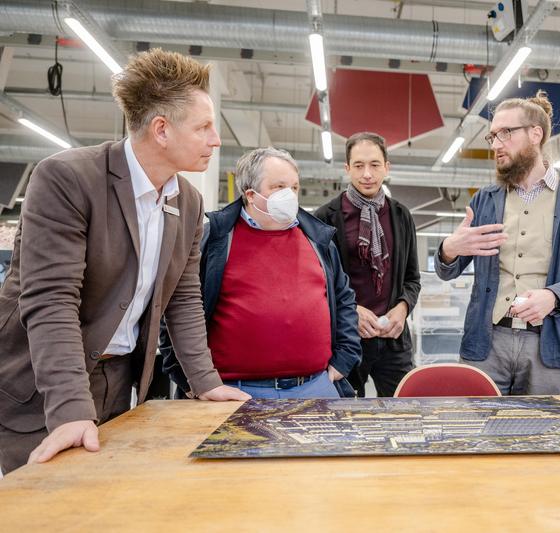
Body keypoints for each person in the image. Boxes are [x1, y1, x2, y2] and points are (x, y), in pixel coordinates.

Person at [0, 49, 249, 474]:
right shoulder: (67, 179)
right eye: (204, 127)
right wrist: (69, 408)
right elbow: (50, 301)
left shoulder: (186, 200)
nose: (216, 139)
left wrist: (205, 382)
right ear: (161, 130)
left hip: (118, 381)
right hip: (43, 385)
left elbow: (182, 298)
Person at [434, 91, 560, 395]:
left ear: (535, 134)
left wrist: (554, 297)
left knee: (544, 433)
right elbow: (448, 270)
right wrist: (449, 249)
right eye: (492, 136)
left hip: (551, 342)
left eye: (505, 133)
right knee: (481, 432)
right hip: (488, 341)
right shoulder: (485, 199)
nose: (496, 144)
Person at [162, 148, 361, 399]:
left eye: (294, 187)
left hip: (315, 387)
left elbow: (344, 300)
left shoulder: (318, 240)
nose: (289, 195)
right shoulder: (215, 240)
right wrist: (189, 381)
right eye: (279, 186)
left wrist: (344, 360)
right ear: (250, 194)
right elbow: (176, 307)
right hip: (235, 392)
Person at [315, 132, 421, 397]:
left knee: (403, 412)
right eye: (359, 165)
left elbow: (412, 278)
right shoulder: (325, 218)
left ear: (387, 167)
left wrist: (402, 308)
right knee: (345, 419)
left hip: (392, 338)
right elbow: (317, 285)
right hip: (346, 340)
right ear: (347, 168)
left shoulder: (400, 215)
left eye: (374, 165)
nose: (367, 174)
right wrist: (351, 311)